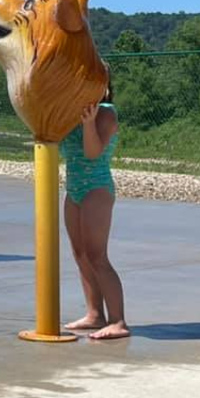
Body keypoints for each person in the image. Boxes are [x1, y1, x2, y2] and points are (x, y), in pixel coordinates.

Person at [60, 81, 129, 340]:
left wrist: (88, 123)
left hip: (96, 189)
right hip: (74, 188)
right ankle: (94, 314)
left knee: (97, 255)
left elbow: (92, 153)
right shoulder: (71, 111)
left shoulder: (106, 112)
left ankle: (118, 321)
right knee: (80, 254)